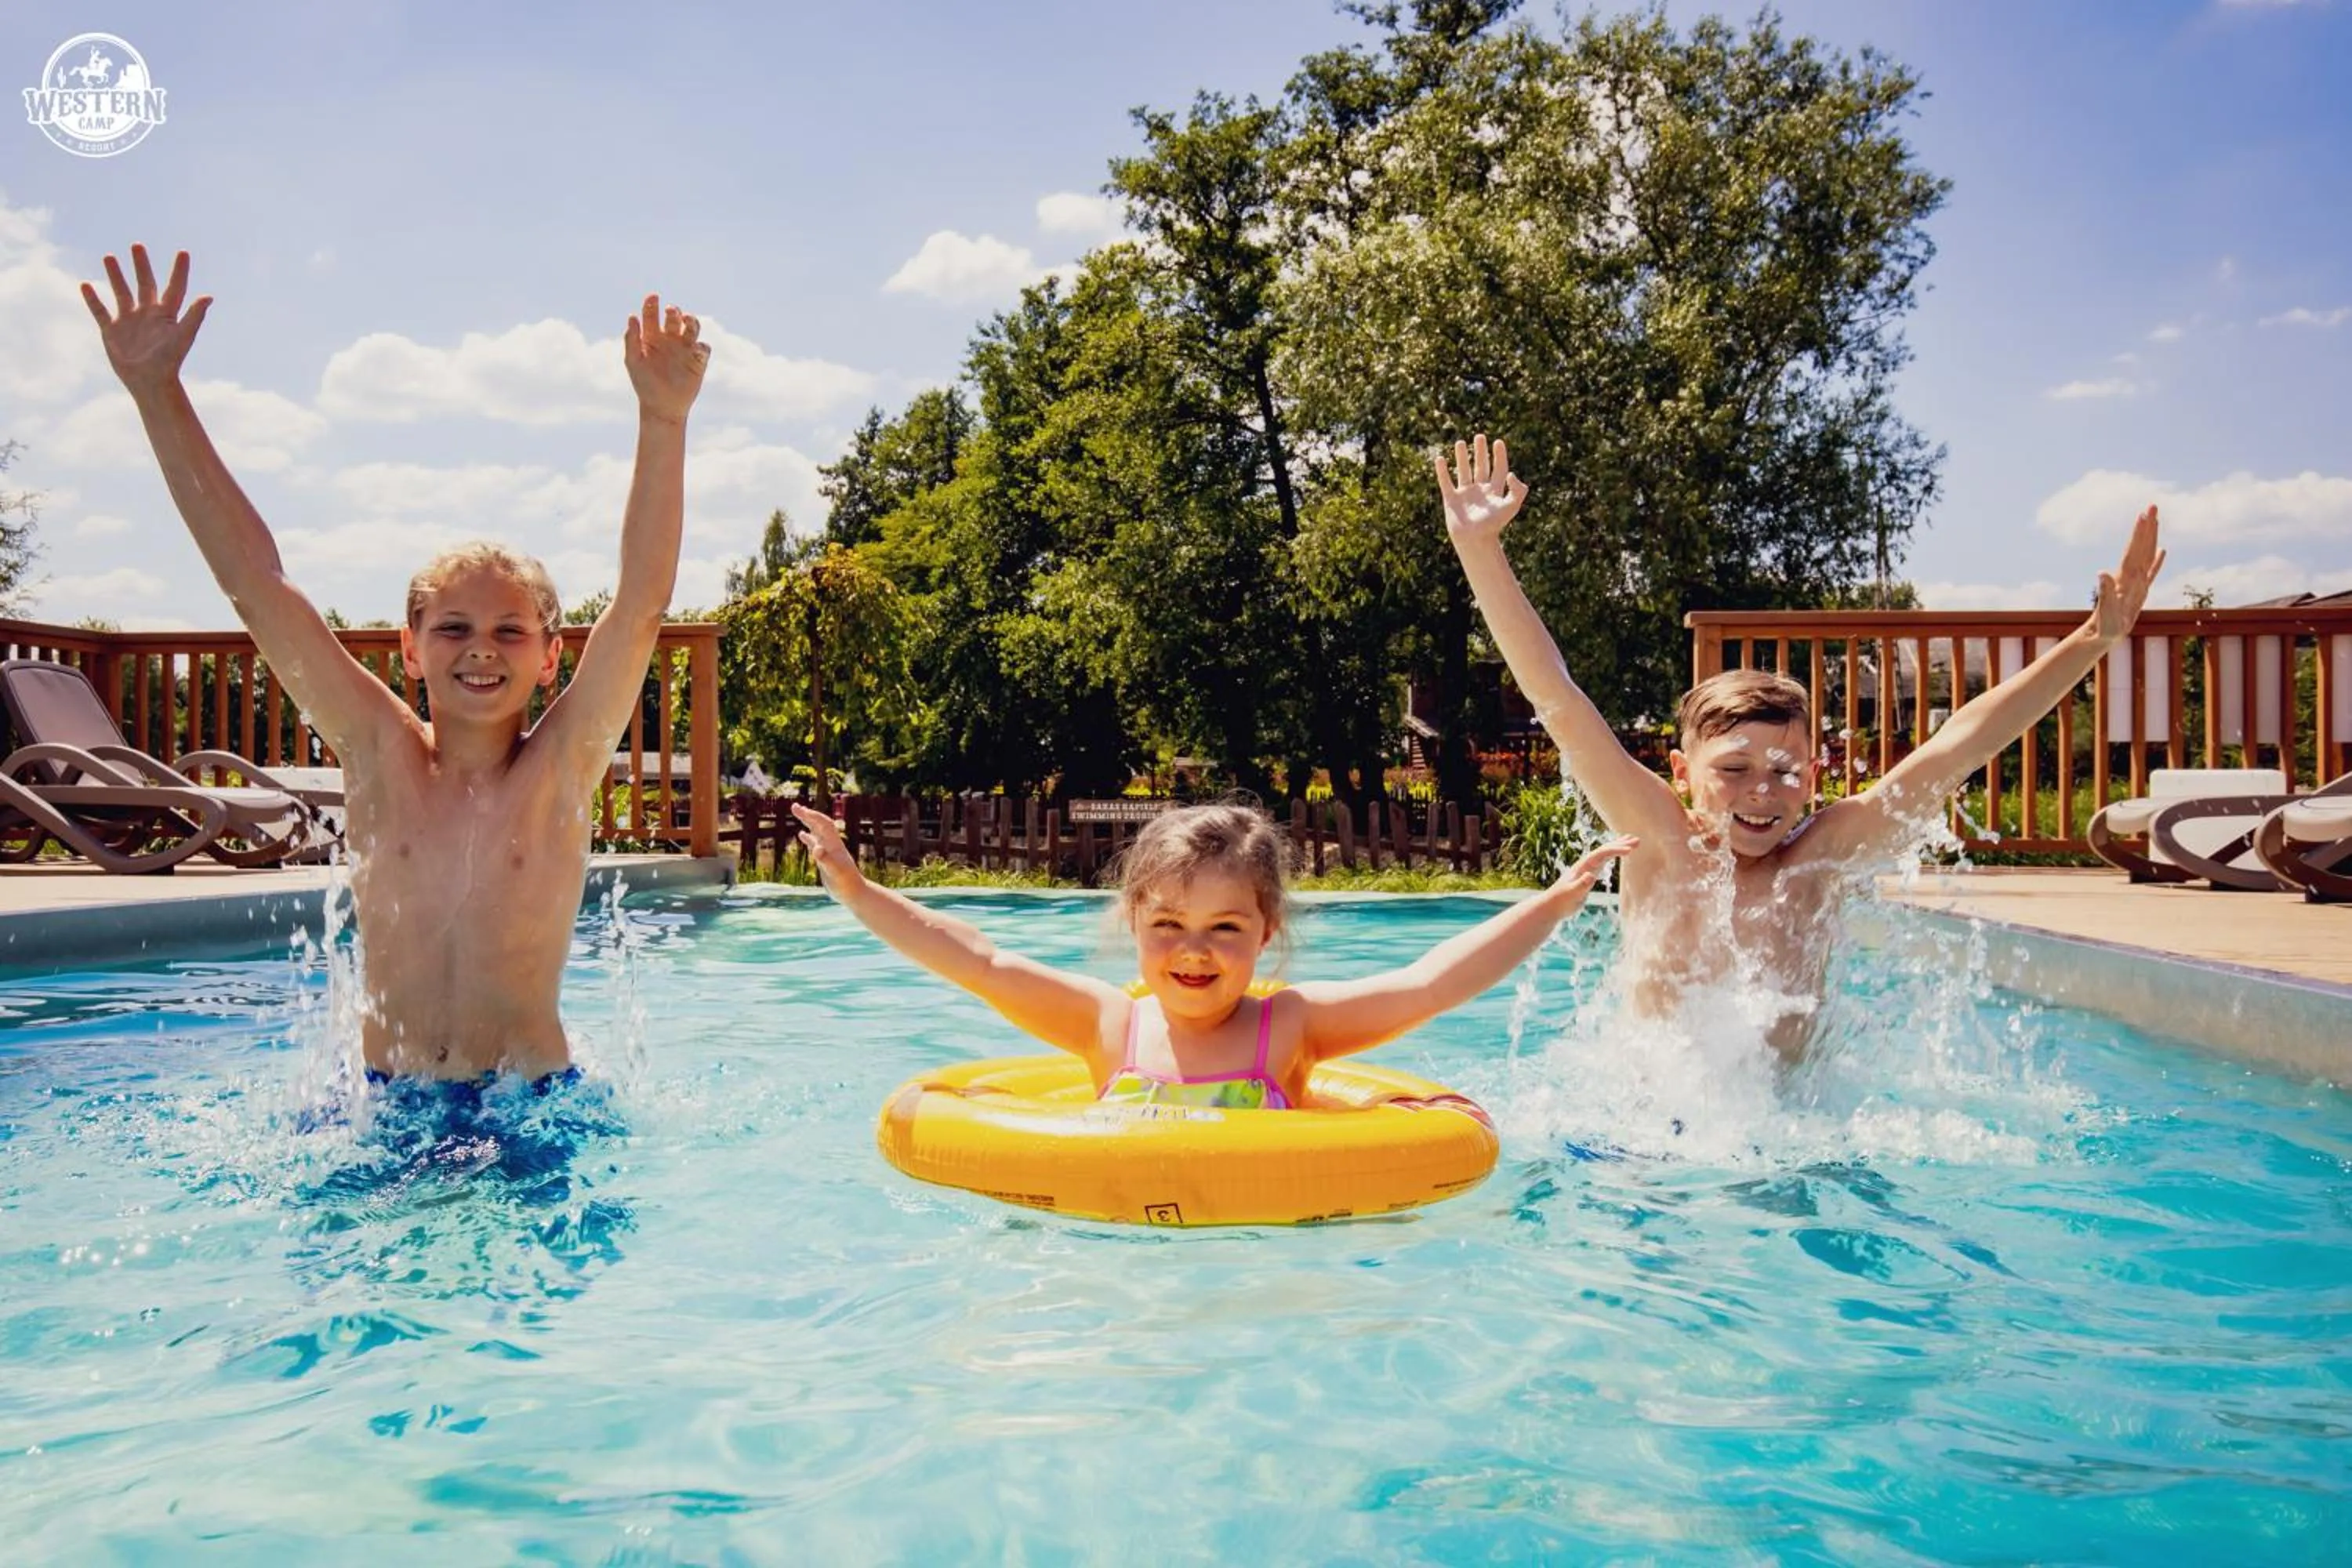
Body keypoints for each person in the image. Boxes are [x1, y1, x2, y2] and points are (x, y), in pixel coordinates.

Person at [83, 245, 710, 1083]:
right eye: (453, 627)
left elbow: (638, 607)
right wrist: (158, 394)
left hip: (529, 1105)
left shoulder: (560, 769)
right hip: (385, 1102)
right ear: (410, 649)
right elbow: (257, 587)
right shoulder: (379, 753)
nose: (481, 646)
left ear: (554, 657)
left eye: (509, 631)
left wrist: (663, 423)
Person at [1436, 434, 2165, 1058]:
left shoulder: (1821, 854)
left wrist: (2091, 641)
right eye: (1735, 769)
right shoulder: (1659, 838)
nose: (1762, 790)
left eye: (1785, 771)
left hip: (1783, 1133)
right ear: (1683, 772)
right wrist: (1479, 551)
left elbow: (1960, 745)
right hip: (1649, 1140)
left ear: (1815, 774)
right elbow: (1557, 698)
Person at [790, 799, 1634, 1108]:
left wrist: (1556, 900)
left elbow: (1431, 981)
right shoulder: (1106, 1023)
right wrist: (860, 891)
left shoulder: (1291, 1027)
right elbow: (974, 957)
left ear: (1266, 934)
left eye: (1225, 928)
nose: (1194, 951)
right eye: (1168, 927)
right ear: (1134, 925)